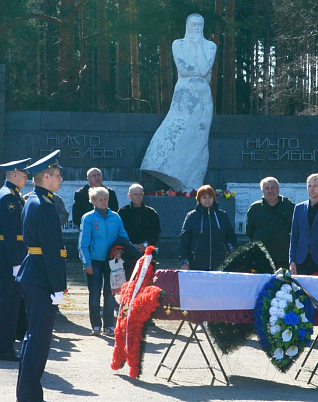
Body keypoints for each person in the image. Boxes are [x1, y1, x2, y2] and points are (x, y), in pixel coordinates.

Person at [139, 13, 217, 192]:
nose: (196, 28)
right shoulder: (178, 44)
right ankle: (163, 165)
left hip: (203, 96)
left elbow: (205, 69)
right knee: (176, 128)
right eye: (193, 25)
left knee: (200, 139)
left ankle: (193, 182)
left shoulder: (210, 46)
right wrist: (198, 68)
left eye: (199, 25)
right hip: (184, 94)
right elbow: (183, 69)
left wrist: (198, 48)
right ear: (187, 25)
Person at [15, 150, 68, 402]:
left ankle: (28, 394)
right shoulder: (45, 206)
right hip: (41, 277)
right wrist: (59, 286)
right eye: (57, 175)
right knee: (38, 339)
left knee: (32, 337)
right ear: (45, 176)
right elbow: (51, 251)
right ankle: (29, 396)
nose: (60, 179)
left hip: (33, 273)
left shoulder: (33, 200)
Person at [288, 173, 318, 348]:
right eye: (309, 185)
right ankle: (300, 335)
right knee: (300, 298)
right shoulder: (299, 208)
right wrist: (292, 260)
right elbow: (294, 236)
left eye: (315, 186)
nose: (312, 189)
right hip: (301, 259)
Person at [0, 158, 31, 361]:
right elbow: (8, 234)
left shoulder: (13, 195)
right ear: (14, 175)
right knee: (8, 305)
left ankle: (6, 346)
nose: (27, 178)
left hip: (12, 255)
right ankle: (4, 348)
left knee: (12, 304)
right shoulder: (8, 198)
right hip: (10, 257)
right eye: (24, 175)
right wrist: (16, 263)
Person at [78, 187, 129, 336]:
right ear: (93, 201)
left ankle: (109, 325)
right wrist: (86, 263)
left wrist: (120, 250)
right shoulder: (88, 218)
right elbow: (82, 243)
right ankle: (95, 326)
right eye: (100, 199)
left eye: (105, 199)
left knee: (110, 294)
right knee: (94, 294)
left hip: (111, 261)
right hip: (94, 261)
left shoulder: (116, 217)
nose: (104, 202)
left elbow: (123, 237)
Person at [179, 185, 237, 271]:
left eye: (210, 197)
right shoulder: (192, 216)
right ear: (199, 199)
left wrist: (228, 251)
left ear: (214, 199)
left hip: (220, 263)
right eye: (204, 197)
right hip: (197, 264)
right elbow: (184, 240)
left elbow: (231, 236)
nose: (207, 200)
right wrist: (184, 262)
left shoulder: (222, 215)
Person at [245, 177, 295, 268]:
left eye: (273, 188)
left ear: (278, 189)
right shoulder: (255, 209)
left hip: (283, 258)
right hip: (261, 258)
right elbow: (249, 232)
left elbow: (296, 231)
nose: (270, 191)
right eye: (267, 188)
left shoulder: (290, 207)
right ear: (262, 191)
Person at [118, 183, 161, 278]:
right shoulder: (122, 212)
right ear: (129, 196)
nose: (138, 197)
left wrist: (145, 244)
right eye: (135, 194)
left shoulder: (151, 213)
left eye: (140, 194)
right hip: (127, 253)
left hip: (147, 252)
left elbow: (156, 232)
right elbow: (119, 232)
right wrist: (130, 245)